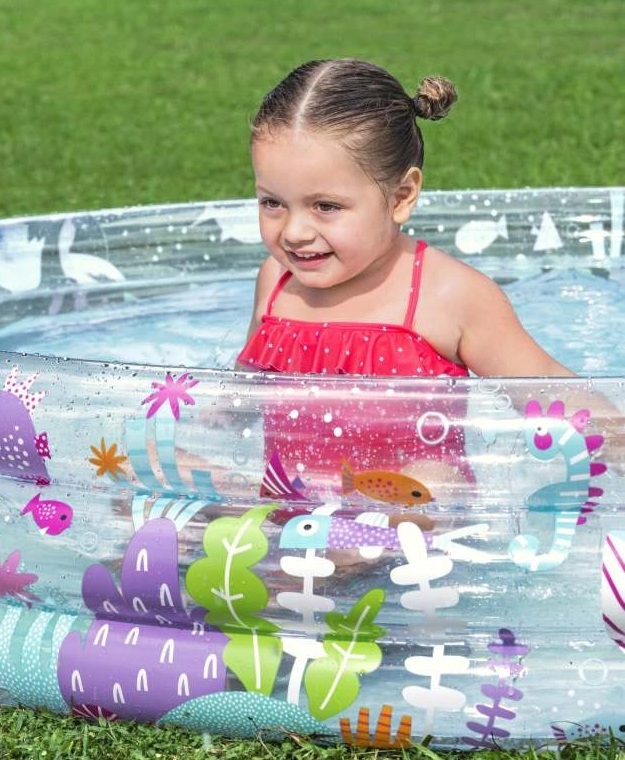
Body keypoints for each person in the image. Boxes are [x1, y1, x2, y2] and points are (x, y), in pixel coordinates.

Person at [236, 58, 574, 496]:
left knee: (432, 477)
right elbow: (239, 397)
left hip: (419, 521)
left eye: (326, 206)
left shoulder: (449, 295)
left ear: (401, 196)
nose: (294, 232)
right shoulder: (277, 282)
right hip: (293, 512)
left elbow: (557, 397)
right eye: (272, 203)